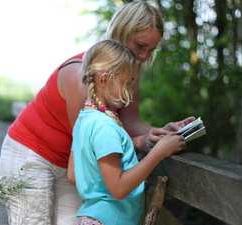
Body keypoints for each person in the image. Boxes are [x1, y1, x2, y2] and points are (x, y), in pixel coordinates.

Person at [0, 1, 193, 225]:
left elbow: (129, 122)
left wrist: (159, 133)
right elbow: (95, 141)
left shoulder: (126, 75)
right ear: (120, 33)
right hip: (32, 154)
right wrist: (151, 148)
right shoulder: (83, 77)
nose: (143, 57)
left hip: (72, 165)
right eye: (140, 46)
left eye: (151, 50)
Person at [69, 39, 186, 225]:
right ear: (103, 79)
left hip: (91, 217)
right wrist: (158, 153)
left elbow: (73, 175)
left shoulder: (84, 119)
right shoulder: (105, 127)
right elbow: (118, 189)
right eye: (126, 82)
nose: (131, 90)